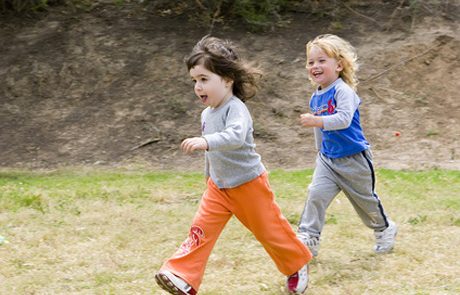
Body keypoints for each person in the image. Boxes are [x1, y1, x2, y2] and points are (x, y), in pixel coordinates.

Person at [155, 35, 312, 295]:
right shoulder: (206, 114)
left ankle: (297, 265)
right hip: (218, 188)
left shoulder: (235, 108)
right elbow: (213, 155)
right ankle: (182, 276)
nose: (198, 87)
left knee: (270, 232)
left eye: (204, 79)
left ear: (227, 80)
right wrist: (209, 179)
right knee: (200, 230)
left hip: (248, 184)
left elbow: (234, 137)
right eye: (195, 81)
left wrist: (205, 141)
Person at [297, 34, 397, 257]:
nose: (315, 66)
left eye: (322, 60)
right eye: (311, 62)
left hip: (354, 160)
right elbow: (319, 130)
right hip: (328, 160)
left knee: (365, 202)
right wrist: (319, 150)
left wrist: (317, 121)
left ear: (339, 65)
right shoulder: (316, 96)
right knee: (316, 194)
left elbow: (342, 119)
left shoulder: (344, 91)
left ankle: (384, 228)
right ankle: (308, 238)